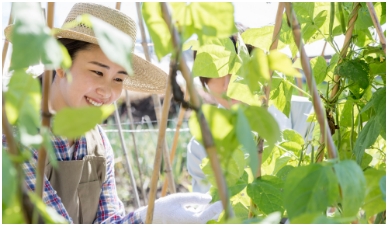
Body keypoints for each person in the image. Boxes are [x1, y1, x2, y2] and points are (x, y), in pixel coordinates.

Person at [3, 3, 222, 224]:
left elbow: (109, 220)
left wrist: (148, 218)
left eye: (119, 78)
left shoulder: (97, 142)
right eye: (98, 71)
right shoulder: (14, 135)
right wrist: (146, 219)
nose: (107, 91)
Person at [187, 29, 314, 193]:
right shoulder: (201, 144)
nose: (228, 84)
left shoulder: (306, 113)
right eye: (215, 72)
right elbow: (208, 210)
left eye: (236, 67)